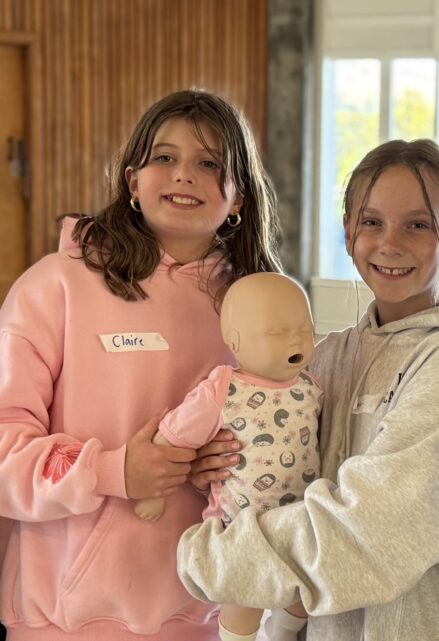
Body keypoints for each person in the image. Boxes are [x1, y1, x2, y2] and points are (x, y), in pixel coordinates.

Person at [177, 139, 439, 641]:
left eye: (418, 225)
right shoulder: (324, 358)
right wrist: (220, 461)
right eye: (372, 222)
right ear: (349, 234)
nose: (390, 243)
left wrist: (217, 558)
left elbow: (380, 529)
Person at [0, 88, 281, 641]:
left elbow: (280, 449)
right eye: (164, 158)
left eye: (210, 164)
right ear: (133, 181)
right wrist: (112, 471)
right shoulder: (54, 286)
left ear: (238, 197)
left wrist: (225, 468)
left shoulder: (258, 306)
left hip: (211, 619)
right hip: (63, 620)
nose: (184, 175)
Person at [134, 272, 320, 641]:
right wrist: (153, 490)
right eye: (278, 332)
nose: (296, 339)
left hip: (298, 521)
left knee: (306, 589)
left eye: (304, 329)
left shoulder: (311, 386)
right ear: (235, 341)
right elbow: (174, 434)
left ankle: (281, 631)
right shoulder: (224, 389)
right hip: (241, 523)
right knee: (242, 599)